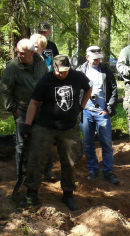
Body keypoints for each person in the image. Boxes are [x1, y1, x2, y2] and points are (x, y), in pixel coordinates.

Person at [22, 55, 92, 211]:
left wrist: (81, 107)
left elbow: (89, 88)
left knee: (70, 161)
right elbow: (34, 103)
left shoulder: (78, 77)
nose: (62, 74)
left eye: (65, 71)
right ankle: (31, 193)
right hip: (45, 126)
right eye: (59, 71)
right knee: (36, 157)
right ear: (53, 68)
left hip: (69, 127)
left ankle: (68, 194)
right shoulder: (46, 80)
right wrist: (27, 125)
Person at [0, 39, 48, 180]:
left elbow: (46, 83)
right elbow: (4, 89)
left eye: (22, 53)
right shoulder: (13, 66)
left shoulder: (41, 63)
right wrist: (13, 109)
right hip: (22, 110)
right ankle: (22, 174)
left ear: (32, 53)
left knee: (41, 141)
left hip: (40, 111)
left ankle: (41, 171)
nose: (19, 56)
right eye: (17, 53)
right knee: (22, 144)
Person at [77, 46, 119, 184]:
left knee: (106, 143)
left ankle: (108, 172)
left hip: (102, 112)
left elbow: (113, 89)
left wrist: (108, 108)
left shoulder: (105, 70)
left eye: (98, 58)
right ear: (87, 57)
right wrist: (79, 108)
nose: (97, 61)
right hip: (86, 111)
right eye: (94, 58)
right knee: (88, 143)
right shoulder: (80, 71)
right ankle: (93, 171)